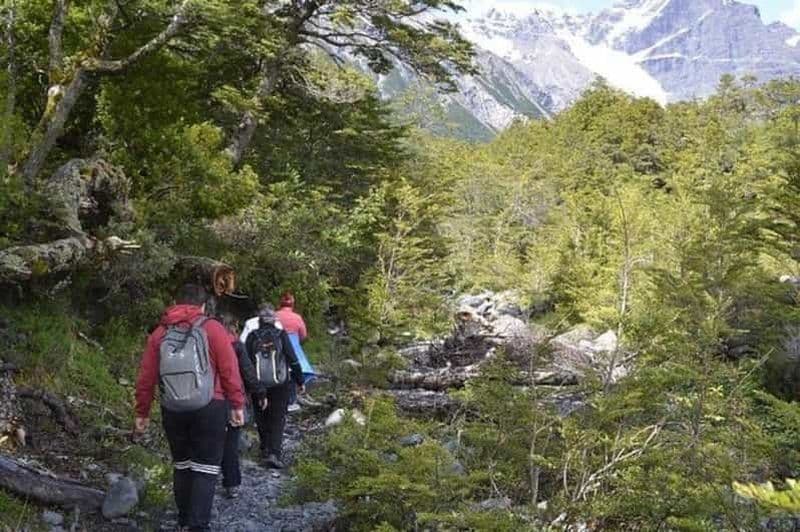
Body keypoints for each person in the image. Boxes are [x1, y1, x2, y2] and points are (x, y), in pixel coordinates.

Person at [134, 284, 244, 532]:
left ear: (174, 302)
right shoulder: (213, 329)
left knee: (182, 465)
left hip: (172, 408)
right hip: (211, 406)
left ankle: (183, 519)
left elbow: (146, 377)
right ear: (203, 306)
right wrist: (237, 404)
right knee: (206, 468)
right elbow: (229, 370)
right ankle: (197, 526)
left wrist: (141, 412)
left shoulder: (159, 333)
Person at [244, 304, 305, 469]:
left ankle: (264, 449)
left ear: (260, 320)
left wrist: (247, 387)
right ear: (274, 320)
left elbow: (246, 364)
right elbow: (293, 359)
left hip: (258, 384)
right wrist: (300, 381)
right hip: (280, 383)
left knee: (261, 416)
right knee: (278, 418)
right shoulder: (280, 335)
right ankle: (274, 453)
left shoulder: (251, 337)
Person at [220, 315, 267, 500]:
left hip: (207, 401)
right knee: (230, 444)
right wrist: (260, 393)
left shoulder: (204, 343)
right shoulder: (236, 345)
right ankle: (231, 483)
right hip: (232, 400)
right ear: (233, 327)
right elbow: (248, 372)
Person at [276, 292, 310, 412]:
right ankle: (291, 400)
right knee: (294, 370)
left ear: (280, 303)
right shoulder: (297, 318)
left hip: (277, 348)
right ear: (292, 304)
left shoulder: (275, 316)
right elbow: (303, 335)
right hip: (293, 346)